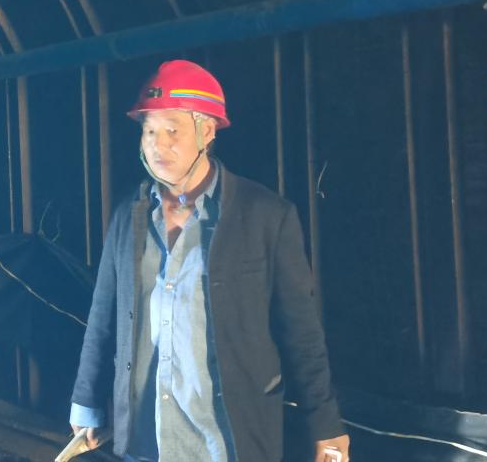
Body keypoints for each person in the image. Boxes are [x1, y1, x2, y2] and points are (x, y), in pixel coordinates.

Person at [68, 60, 350, 461]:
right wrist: (86, 401)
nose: (157, 144)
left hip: (229, 439)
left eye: (172, 130)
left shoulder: (265, 216)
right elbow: (103, 316)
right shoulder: (128, 216)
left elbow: (301, 330)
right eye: (149, 131)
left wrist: (325, 425)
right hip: (147, 440)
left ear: (208, 131)